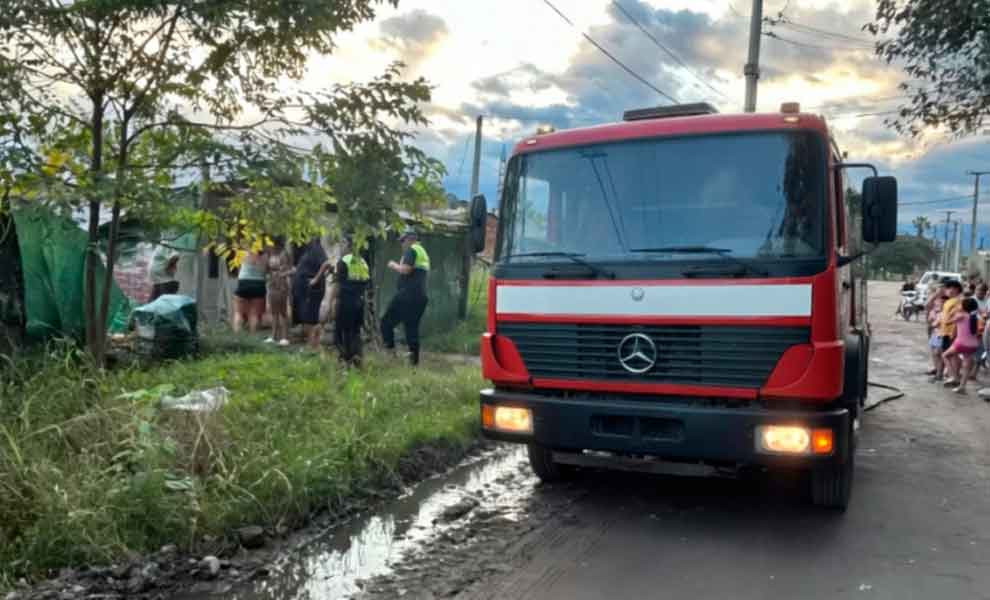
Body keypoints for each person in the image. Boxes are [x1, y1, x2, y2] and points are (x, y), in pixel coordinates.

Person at [381, 228, 430, 366]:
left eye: (402, 241)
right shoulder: (422, 252)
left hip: (407, 295)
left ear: (409, 239)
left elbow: (406, 270)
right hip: (420, 297)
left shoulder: (412, 249)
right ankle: (414, 364)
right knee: (411, 328)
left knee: (386, 323)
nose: (401, 244)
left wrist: (394, 265)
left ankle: (391, 357)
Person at [333, 238, 370, 366]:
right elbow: (366, 283)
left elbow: (337, 285)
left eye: (342, 243)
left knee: (342, 332)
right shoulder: (363, 262)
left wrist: (333, 303)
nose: (341, 247)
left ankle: (345, 360)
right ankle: (357, 359)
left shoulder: (343, 261)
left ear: (349, 245)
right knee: (355, 332)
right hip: (359, 302)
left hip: (345, 301)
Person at [292, 237, 328, 349]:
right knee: (307, 317)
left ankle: (313, 346)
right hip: (304, 289)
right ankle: (312, 345)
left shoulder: (316, 248)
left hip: (312, 289)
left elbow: (327, 264)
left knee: (310, 318)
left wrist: (316, 279)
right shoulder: (308, 249)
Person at [942, 297, 981, 393]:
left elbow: (946, 322)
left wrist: (953, 311)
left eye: (960, 304)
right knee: (967, 365)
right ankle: (962, 387)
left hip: (961, 343)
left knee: (945, 355)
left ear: (963, 307)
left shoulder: (960, 315)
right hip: (973, 344)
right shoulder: (973, 317)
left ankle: (954, 377)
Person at [932, 279, 964, 382]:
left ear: (958, 290)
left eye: (953, 288)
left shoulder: (957, 302)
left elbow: (956, 318)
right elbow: (944, 318)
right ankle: (952, 376)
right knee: (948, 355)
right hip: (945, 332)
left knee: (951, 355)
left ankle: (954, 377)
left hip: (951, 333)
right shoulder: (948, 302)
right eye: (948, 288)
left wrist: (954, 333)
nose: (949, 290)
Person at [266, 238, 294, 346]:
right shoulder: (271, 254)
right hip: (272, 283)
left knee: (282, 311)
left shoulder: (284, 254)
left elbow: (291, 269)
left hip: (282, 284)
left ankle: (284, 337)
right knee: (274, 311)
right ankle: (273, 336)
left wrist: (282, 275)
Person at [234, 250, 268, 333]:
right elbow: (266, 271)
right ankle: (253, 335)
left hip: (243, 282)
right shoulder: (265, 256)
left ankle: (237, 335)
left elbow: (238, 269)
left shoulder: (242, 253)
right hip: (259, 283)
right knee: (255, 314)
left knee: (239, 312)